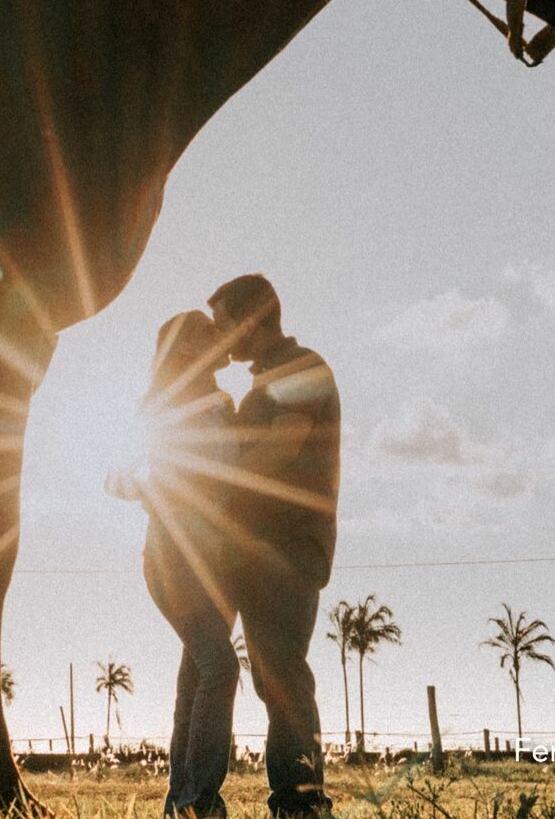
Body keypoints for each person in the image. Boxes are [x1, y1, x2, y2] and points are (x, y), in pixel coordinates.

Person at [209, 273, 339, 818]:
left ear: (250, 320)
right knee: (271, 677)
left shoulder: (302, 369)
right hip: (261, 550)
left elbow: (282, 448)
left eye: (223, 324)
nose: (219, 338)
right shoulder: (265, 382)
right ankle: (293, 798)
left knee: (281, 674)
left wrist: (213, 483)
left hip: (287, 550)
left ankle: (301, 802)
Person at [107, 309, 247, 819]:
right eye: (213, 335)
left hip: (214, 565)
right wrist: (156, 488)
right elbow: (123, 480)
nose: (224, 338)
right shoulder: (176, 409)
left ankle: (180, 803)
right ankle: (198, 800)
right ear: (195, 350)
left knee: (197, 679)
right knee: (220, 667)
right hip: (175, 562)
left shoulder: (218, 403)